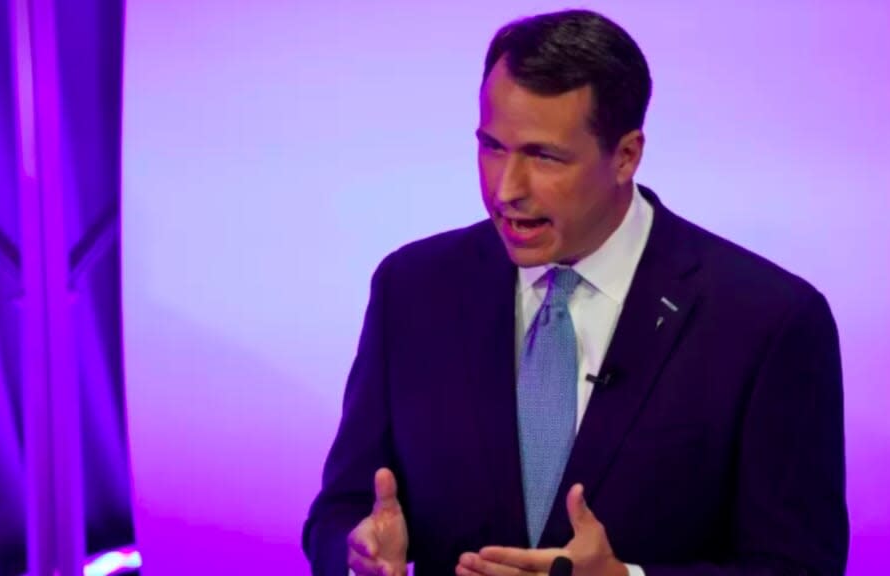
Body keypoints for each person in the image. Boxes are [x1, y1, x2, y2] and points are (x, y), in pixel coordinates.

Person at [303, 9, 848, 576]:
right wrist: (355, 553)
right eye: (492, 147)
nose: (504, 189)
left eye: (543, 156)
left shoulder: (768, 321)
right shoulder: (413, 289)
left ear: (626, 155)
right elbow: (343, 508)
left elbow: (798, 564)